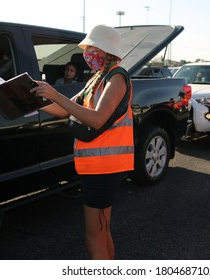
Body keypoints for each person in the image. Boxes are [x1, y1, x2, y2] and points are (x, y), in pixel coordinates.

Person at [30, 25, 134, 259]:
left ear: (105, 51)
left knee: (93, 237)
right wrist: (32, 100)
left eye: (91, 48)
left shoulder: (117, 77)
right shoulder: (97, 79)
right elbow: (66, 109)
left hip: (105, 169)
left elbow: (96, 119)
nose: (87, 53)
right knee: (102, 231)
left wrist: (55, 93)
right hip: (97, 167)